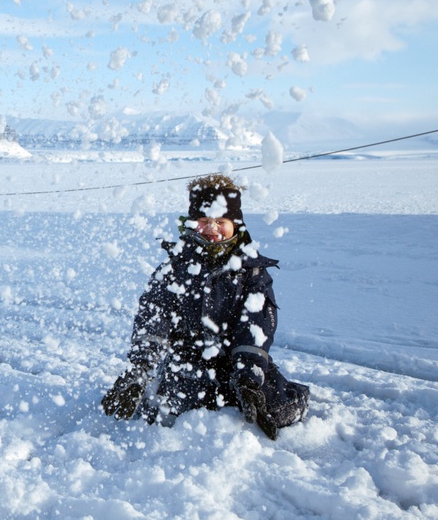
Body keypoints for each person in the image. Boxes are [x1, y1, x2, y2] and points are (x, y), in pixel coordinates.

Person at [101, 173, 309, 439]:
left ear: (236, 224)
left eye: (221, 221)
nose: (212, 229)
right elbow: (154, 316)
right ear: (192, 223)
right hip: (187, 362)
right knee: (169, 411)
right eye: (204, 221)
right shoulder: (175, 268)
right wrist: (139, 368)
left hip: (236, 361)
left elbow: (256, 326)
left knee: (277, 409)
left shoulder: (252, 272)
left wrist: (248, 378)